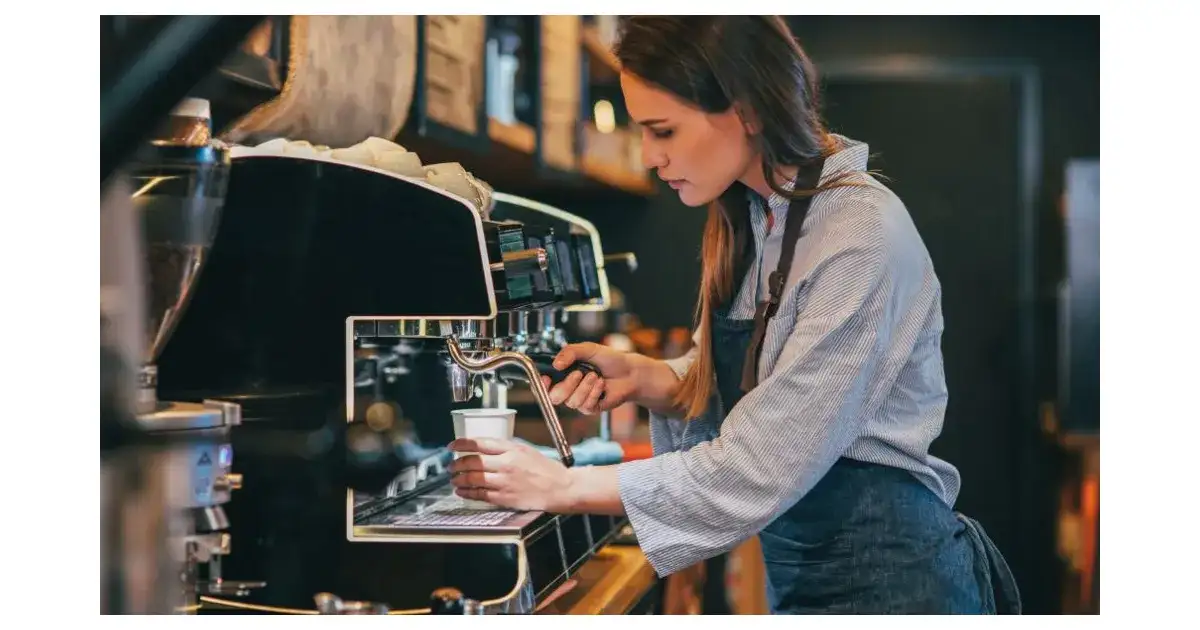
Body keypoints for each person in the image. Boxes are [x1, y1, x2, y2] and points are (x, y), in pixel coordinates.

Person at [448, 16, 1020, 614]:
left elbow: (763, 461)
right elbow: (764, 382)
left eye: (663, 130)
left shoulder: (859, 235)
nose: (649, 156)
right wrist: (652, 379)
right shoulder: (756, 218)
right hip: (807, 584)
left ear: (746, 109)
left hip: (899, 589)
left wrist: (563, 485)